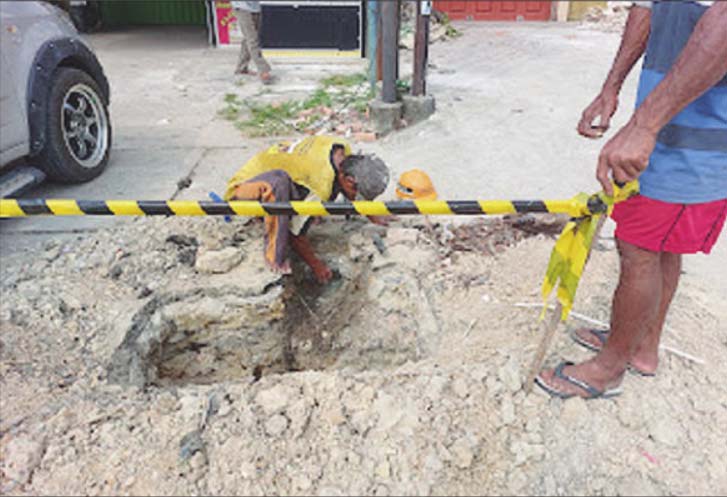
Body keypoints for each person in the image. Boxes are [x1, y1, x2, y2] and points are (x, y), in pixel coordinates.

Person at [536, 1, 727, 399]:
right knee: (659, 245)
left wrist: (643, 126)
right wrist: (612, 87)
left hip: (699, 144)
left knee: (638, 247)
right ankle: (641, 347)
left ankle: (608, 369)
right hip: (665, 130)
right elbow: (646, 9)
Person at [224, 136, 390, 283]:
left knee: (304, 197)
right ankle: (274, 256)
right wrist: (317, 266)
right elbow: (296, 235)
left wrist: (374, 215)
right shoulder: (320, 183)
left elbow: (349, 185)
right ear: (348, 180)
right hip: (246, 187)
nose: (358, 198)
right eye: (358, 194)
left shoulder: (342, 150)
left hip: (283, 167)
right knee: (280, 187)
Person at [231, 1, 271, 84]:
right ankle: (263, 69)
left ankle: (241, 67)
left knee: (248, 39)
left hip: (255, 8)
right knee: (252, 40)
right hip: (242, 8)